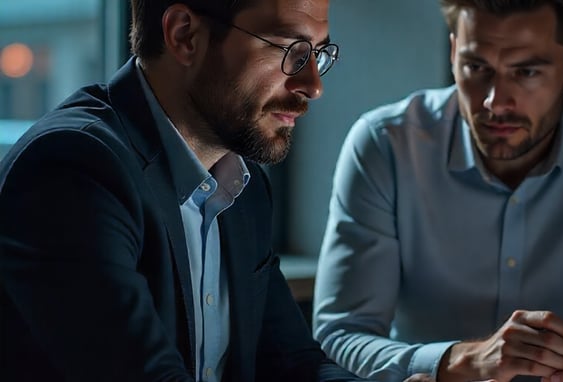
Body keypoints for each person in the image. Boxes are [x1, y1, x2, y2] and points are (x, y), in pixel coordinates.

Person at [313, 1, 563, 381]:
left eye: (526, 72)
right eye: (477, 68)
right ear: (454, 53)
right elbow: (339, 336)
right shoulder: (385, 146)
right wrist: (461, 361)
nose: (495, 101)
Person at [0, 0, 371, 381]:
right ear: (185, 35)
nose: (313, 85)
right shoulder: (71, 169)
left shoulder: (243, 184)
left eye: (317, 53)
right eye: (289, 50)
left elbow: (293, 364)